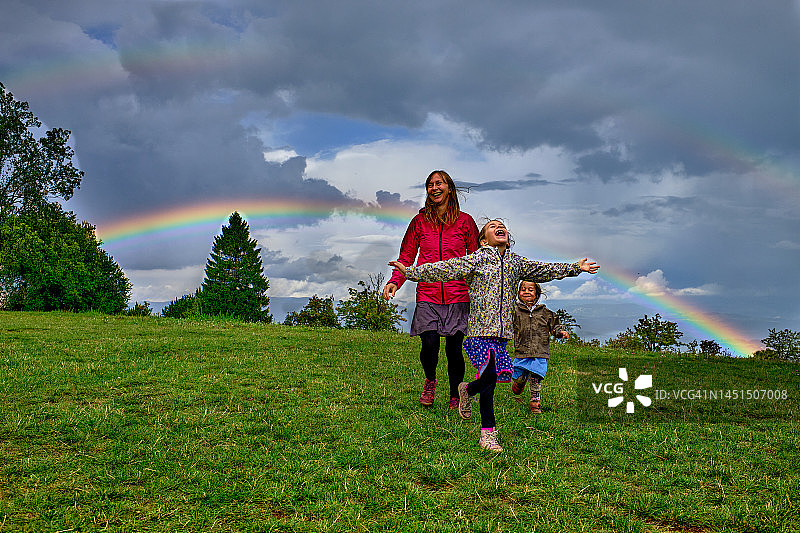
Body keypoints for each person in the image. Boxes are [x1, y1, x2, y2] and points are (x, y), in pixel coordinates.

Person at [390, 219, 599, 452]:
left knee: (491, 378)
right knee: (489, 378)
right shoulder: (476, 259)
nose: (499, 228)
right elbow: (444, 268)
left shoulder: (515, 263)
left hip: (501, 337)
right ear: (482, 239)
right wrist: (410, 272)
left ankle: (467, 390)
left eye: (503, 226)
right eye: (492, 226)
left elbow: (544, 269)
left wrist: (575, 268)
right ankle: (488, 434)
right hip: (479, 333)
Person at [383, 170, 479, 409]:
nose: (434, 188)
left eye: (439, 183)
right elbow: (406, 256)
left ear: (449, 188)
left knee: (455, 350)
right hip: (428, 293)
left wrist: (482, 290)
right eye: (430, 185)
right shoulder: (419, 222)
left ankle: (455, 394)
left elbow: (477, 259)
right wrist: (395, 280)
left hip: (458, 295)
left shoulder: (466, 221)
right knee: (429, 345)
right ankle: (430, 380)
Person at [511, 281, 568, 414]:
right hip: (522, 351)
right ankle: (520, 381)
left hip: (540, 352)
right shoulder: (515, 311)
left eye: (530, 290)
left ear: (537, 294)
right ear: (519, 293)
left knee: (535, 378)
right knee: (519, 375)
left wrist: (561, 332)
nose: (526, 292)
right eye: (523, 289)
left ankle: (535, 403)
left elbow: (555, 325)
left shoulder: (545, 312)